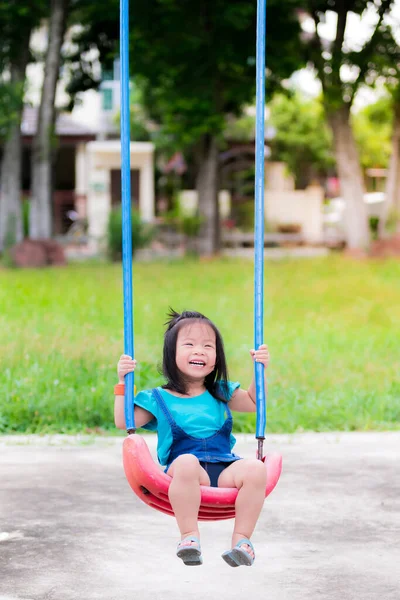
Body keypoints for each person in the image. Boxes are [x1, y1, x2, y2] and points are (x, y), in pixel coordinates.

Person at [114, 309, 270, 567]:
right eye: (189, 344)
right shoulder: (158, 398)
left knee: (255, 468)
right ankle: (189, 537)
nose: (200, 351)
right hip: (187, 471)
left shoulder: (220, 391)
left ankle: (242, 540)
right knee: (186, 462)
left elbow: (254, 402)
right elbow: (124, 422)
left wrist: (259, 369)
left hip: (223, 468)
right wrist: (122, 382)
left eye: (208, 346)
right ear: (171, 354)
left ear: (216, 357)